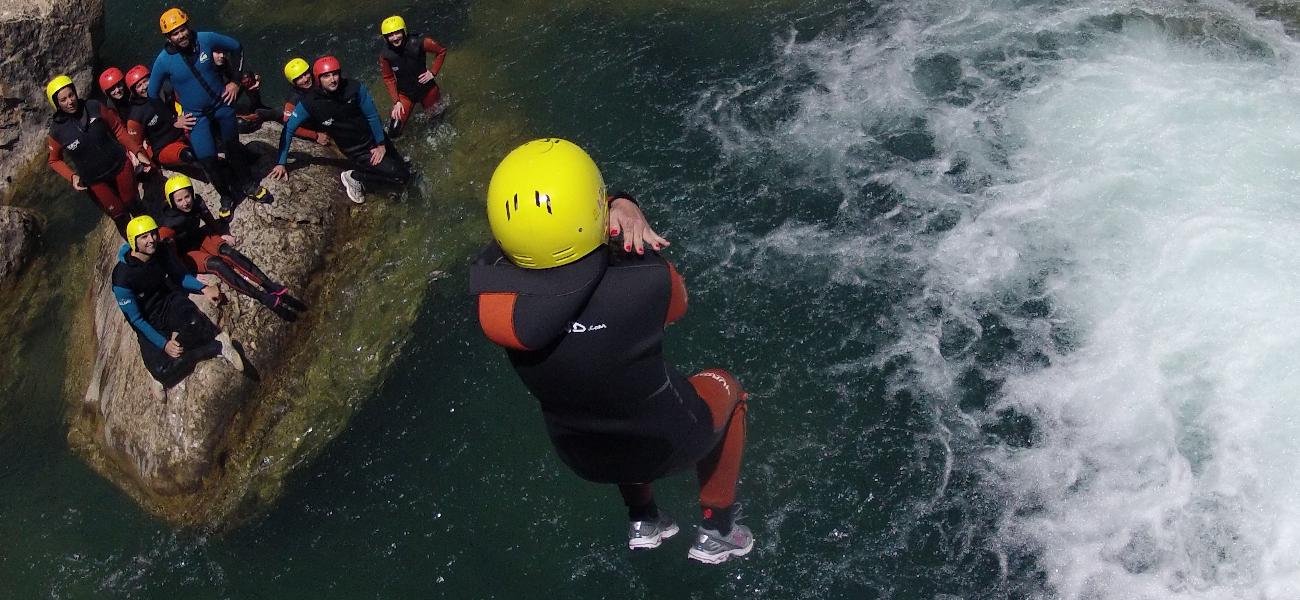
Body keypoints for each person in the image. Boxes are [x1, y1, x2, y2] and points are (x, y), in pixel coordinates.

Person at [468, 138, 753, 564]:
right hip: (666, 440)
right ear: (591, 212)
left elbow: (500, 252)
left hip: (583, 456)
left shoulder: (493, 304)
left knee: (598, 394)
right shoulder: (648, 281)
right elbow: (678, 306)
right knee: (726, 389)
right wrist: (623, 204)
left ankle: (645, 518)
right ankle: (718, 529)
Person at [148, 7, 271, 218]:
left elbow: (237, 48)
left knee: (233, 147)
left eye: (183, 29)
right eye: (175, 33)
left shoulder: (205, 39)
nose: (181, 35)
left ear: (188, 26)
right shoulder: (163, 60)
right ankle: (226, 196)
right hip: (196, 117)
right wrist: (173, 120)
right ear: (168, 37)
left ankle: (249, 184)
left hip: (221, 105)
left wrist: (234, 81)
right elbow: (152, 94)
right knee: (208, 159)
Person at [112, 215, 243, 389]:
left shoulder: (162, 250)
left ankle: (216, 347)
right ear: (133, 241)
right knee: (162, 372)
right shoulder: (122, 278)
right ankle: (215, 348)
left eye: (153, 234)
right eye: (144, 237)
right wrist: (163, 344)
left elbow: (179, 275)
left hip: (169, 303)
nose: (151, 240)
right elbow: (136, 320)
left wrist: (202, 288)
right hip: (148, 319)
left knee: (196, 322)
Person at [155, 174, 307, 321]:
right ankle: (262, 297)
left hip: (199, 237)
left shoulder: (197, 202)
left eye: (187, 197)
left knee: (227, 251)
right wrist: (186, 272)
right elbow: (168, 256)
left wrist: (221, 233)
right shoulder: (167, 226)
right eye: (179, 200)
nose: (185, 203)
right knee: (217, 264)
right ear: (172, 202)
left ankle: (269, 285)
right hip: (185, 253)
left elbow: (207, 218)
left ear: (192, 193)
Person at [270, 56, 409, 204]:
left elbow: (372, 116)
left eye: (334, 74)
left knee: (406, 169)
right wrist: (281, 162)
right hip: (357, 149)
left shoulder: (353, 87)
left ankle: (383, 180)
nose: (332, 80)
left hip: (373, 138)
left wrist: (381, 143)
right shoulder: (307, 103)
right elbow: (289, 128)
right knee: (401, 175)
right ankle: (354, 177)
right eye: (326, 76)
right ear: (319, 78)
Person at [45, 75, 151, 237]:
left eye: (71, 95)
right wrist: (72, 177)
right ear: (56, 103)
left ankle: (152, 236)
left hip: (119, 166)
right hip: (95, 182)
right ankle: (135, 249)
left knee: (134, 204)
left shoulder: (94, 106)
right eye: (63, 100)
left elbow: (117, 129)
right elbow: (54, 160)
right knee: (120, 216)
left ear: (75, 92)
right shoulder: (57, 131)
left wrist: (137, 151)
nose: (70, 101)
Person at [376, 15, 447, 139]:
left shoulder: (419, 42)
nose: (394, 38)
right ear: (385, 38)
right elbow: (388, 78)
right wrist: (396, 101)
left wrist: (433, 72)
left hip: (427, 90)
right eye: (390, 35)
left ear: (404, 31)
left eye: (397, 33)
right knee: (394, 131)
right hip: (405, 94)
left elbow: (441, 51)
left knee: (436, 126)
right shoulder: (385, 55)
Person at [123, 64, 198, 169]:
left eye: (145, 81)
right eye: (139, 85)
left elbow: (185, 101)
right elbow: (137, 145)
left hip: (181, 131)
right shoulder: (135, 116)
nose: (144, 87)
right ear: (134, 91)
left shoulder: (164, 88)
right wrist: (152, 166)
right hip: (164, 147)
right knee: (189, 154)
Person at [279, 58, 332, 147]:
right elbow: (289, 126)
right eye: (299, 78)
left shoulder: (318, 80)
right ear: (294, 82)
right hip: (316, 126)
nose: (305, 79)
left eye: (306, 74)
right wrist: (315, 135)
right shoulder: (293, 100)